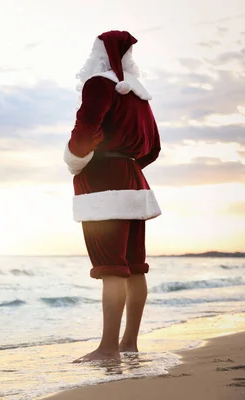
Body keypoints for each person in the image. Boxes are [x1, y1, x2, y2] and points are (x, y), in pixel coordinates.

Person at [63, 30, 162, 362]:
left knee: (111, 268)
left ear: (99, 53)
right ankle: (129, 344)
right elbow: (154, 148)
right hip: (134, 179)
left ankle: (107, 349)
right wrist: (129, 162)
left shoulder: (98, 84)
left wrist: (76, 160)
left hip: (102, 180)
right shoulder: (139, 94)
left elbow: (83, 130)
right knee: (134, 267)